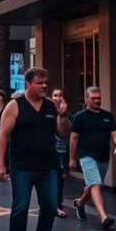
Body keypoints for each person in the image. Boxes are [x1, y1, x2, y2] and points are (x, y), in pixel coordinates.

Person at [0, 67, 70, 231]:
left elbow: (63, 134)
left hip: (48, 168)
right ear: (28, 84)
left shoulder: (51, 106)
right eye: (40, 82)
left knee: (48, 208)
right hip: (22, 168)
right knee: (20, 208)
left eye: (46, 82)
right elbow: (2, 135)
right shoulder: (15, 105)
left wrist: (62, 116)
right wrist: (0, 164)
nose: (44, 85)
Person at [70, 86, 116, 230]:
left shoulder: (107, 116)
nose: (97, 100)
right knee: (96, 185)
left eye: (99, 98)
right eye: (94, 98)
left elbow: (115, 133)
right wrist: (72, 158)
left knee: (94, 185)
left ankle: (79, 203)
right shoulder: (80, 117)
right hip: (86, 155)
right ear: (87, 99)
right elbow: (73, 138)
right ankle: (103, 217)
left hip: (103, 156)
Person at [51, 88, 70, 217]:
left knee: (59, 179)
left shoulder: (66, 114)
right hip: (47, 151)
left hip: (60, 151)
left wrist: (61, 114)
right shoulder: (45, 111)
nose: (58, 98)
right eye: (55, 95)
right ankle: (49, 205)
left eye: (60, 95)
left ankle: (57, 204)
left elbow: (64, 133)